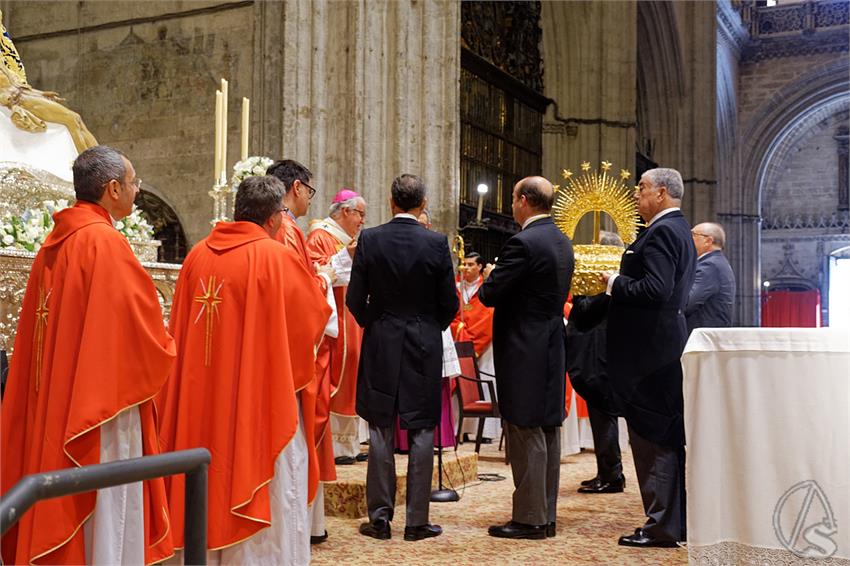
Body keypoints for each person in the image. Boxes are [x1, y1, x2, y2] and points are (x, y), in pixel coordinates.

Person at [1, 146, 174, 564]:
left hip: (60, 396)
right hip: (101, 407)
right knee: (106, 506)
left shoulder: (51, 245)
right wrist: (167, 340)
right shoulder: (104, 243)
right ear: (112, 189)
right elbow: (142, 329)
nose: (136, 190)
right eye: (133, 183)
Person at [156, 175, 330, 564]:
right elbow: (311, 323)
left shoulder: (196, 255)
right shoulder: (276, 257)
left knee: (202, 473)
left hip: (199, 402)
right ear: (273, 220)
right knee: (263, 482)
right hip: (258, 403)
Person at [348, 174, 458, 542]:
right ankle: (416, 522)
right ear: (422, 204)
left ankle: (379, 519)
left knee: (380, 426)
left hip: (381, 340)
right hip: (423, 343)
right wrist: (427, 325)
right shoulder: (437, 243)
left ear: (391, 202)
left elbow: (353, 298)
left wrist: (377, 323)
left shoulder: (370, 239)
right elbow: (450, 304)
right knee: (423, 427)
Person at [602, 167, 696, 548]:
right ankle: (673, 522)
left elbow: (656, 289)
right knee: (665, 436)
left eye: (640, 188)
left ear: (660, 192)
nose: (636, 194)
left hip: (647, 354)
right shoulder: (680, 231)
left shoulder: (660, 233)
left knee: (652, 436)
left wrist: (613, 282)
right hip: (662, 345)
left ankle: (661, 526)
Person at [479, 176, 574, 540]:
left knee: (524, 427)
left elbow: (489, 294)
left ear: (522, 201)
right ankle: (545, 513)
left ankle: (530, 518)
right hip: (550, 343)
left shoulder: (522, 243)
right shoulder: (562, 241)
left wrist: (491, 274)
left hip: (523, 347)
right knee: (547, 427)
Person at [266, 158, 339, 545]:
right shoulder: (290, 231)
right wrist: (326, 278)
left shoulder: (283, 229)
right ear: (296, 187)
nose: (311, 199)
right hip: (293, 353)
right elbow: (302, 295)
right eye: (310, 191)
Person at [306, 189, 367, 468]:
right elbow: (316, 272)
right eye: (360, 214)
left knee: (353, 375)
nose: (362, 221)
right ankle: (336, 445)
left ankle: (351, 444)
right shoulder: (320, 236)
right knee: (338, 379)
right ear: (346, 212)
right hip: (335, 321)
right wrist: (347, 256)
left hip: (351, 317)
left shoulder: (345, 240)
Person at [567, 231, 625, 495]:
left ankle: (612, 475)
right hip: (592, 352)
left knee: (604, 415)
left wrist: (581, 295)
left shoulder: (610, 287)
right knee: (600, 415)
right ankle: (606, 471)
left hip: (597, 354)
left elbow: (586, 310)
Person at [449, 251, 497, 443]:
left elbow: (488, 314)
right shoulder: (456, 287)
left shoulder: (485, 288)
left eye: (471, 265)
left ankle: (483, 432)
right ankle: (457, 428)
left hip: (483, 345)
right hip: (459, 341)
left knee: (483, 378)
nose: (466, 268)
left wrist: (473, 341)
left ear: (479, 267)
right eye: (464, 264)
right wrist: (459, 329)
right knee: (458, 382)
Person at [685, 222, 735, 333]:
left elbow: (687, 303)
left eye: (693, 234)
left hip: (701, 339)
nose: (688, 238)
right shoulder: (715, 262)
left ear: (708, 241)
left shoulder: (710, 266)